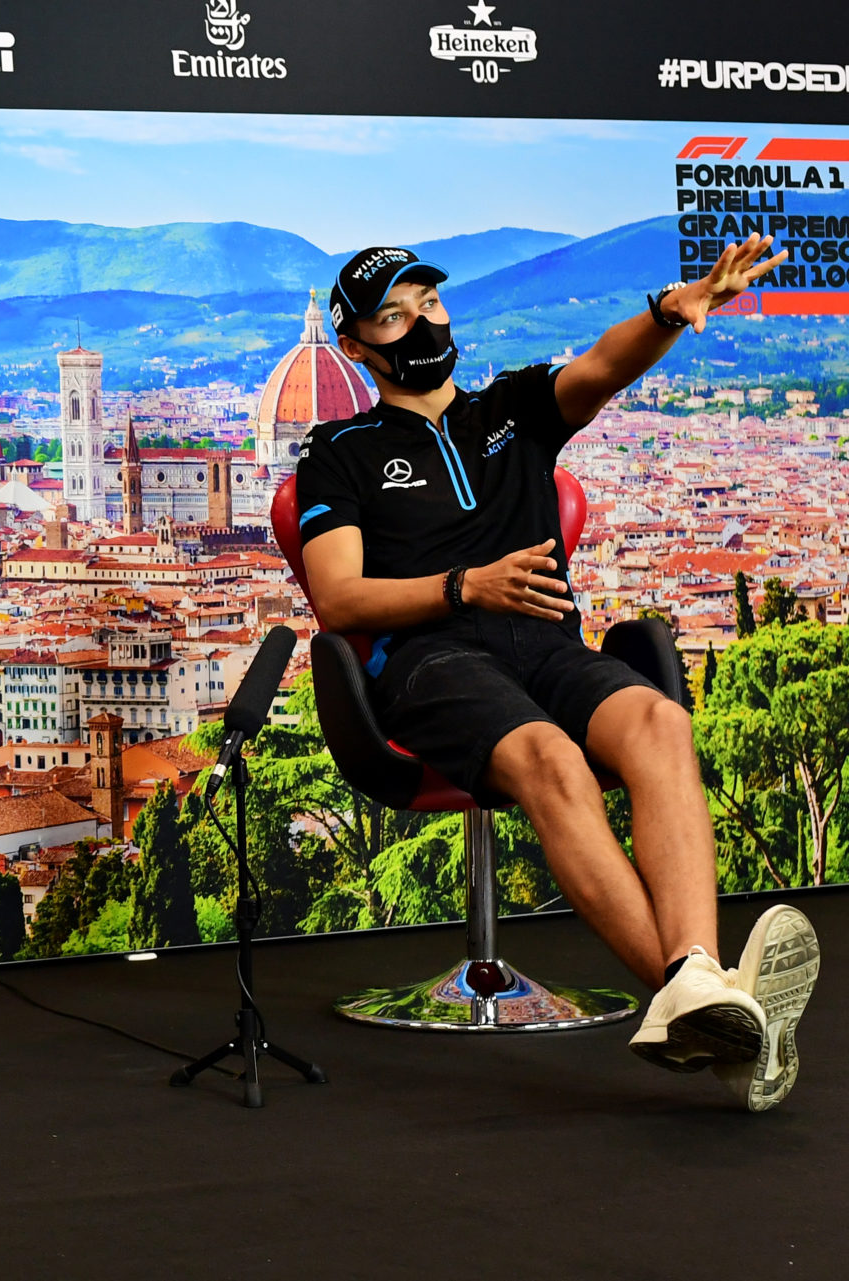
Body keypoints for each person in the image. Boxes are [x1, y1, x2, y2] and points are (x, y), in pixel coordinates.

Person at [296, 240, 819, 1111]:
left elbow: (604, 365)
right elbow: (339, 596)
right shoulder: (339, 451)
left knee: (661, 722)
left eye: (429, 301)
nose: (422, 322)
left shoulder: (514, 408)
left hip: (546, 642)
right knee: (551, 757)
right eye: (394, 314)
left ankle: (697, 987)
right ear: (355, 345)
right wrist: (465, 585)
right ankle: (696, 993)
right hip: (430, 660)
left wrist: (670, 311)